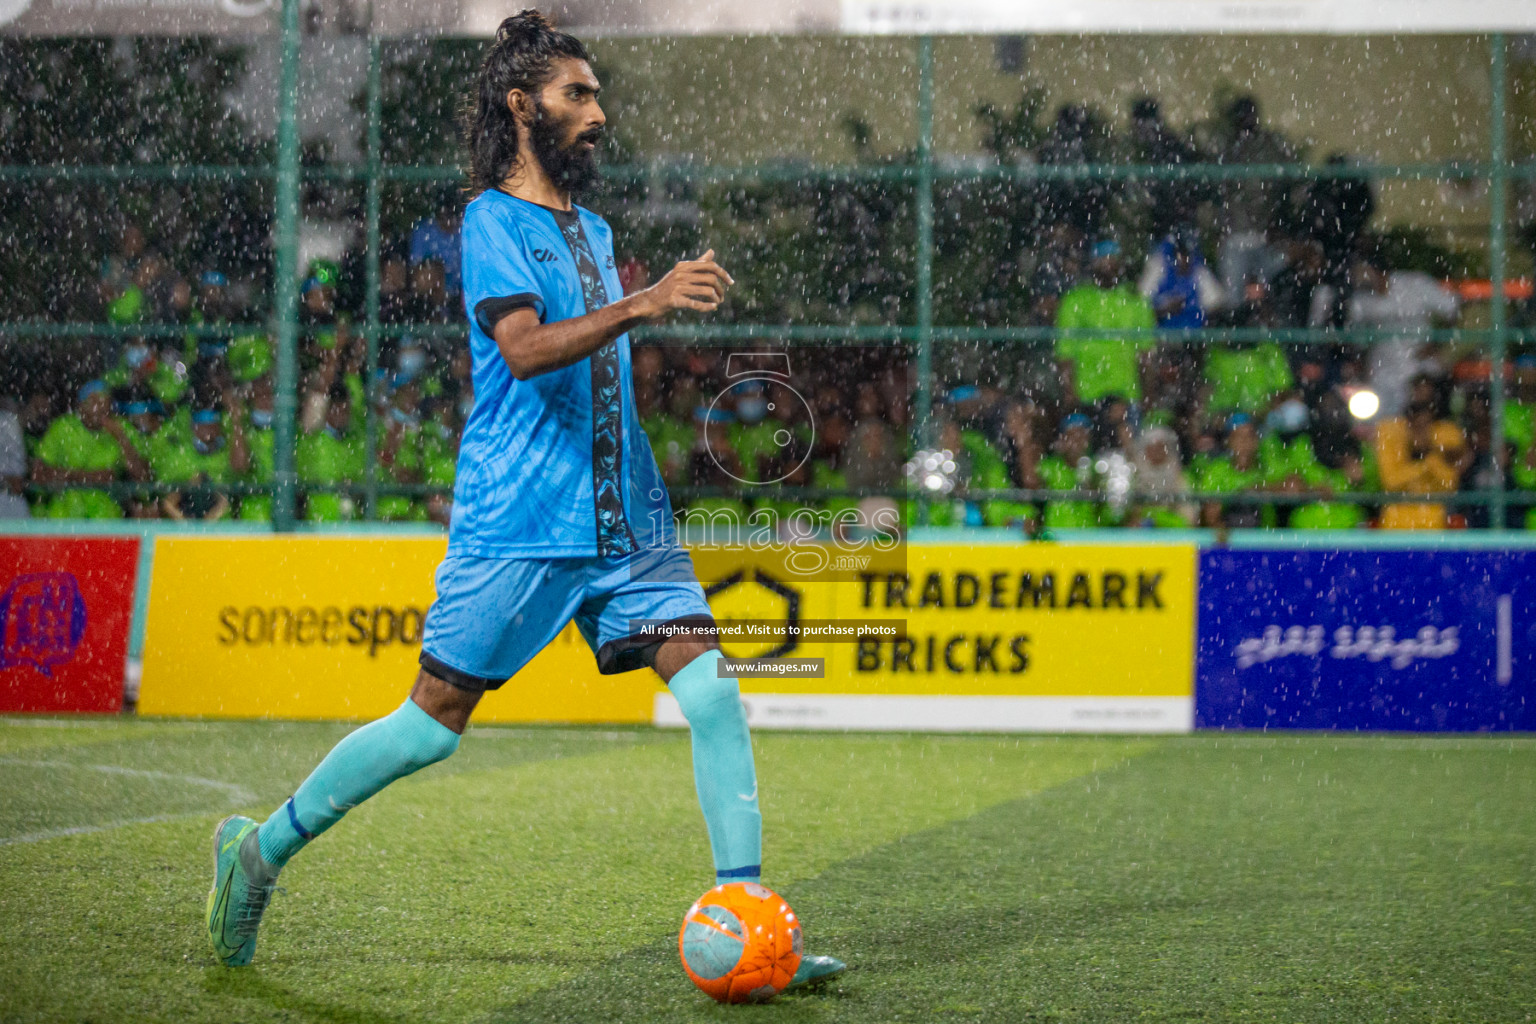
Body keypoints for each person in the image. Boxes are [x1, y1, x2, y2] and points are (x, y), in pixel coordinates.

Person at [205, 11, 845, 989]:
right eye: (577, 95)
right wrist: (642, 303)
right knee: (429, 725)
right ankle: (258, 851)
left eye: (596, 94)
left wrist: (641, 316)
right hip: (521, 522)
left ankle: (758, 929)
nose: (598, 111)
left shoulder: (594, 227)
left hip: (627, 526)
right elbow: (526, 350)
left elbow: (596, 357)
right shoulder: (490, 220)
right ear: (523, 105)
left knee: (715, 693)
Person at [1055, 239, 1157, 407]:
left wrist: (1147, 395)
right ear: (1092, 263)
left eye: (1113, 259)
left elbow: (1146, 353)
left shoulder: (1136, 301)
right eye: (1103, 259)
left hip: (1127, 394)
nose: (1108, 264)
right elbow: (1065, 354)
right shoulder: (1074, 300)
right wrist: (1070, 393)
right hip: (1086, 395)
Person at [31, 380, 148, 519]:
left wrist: (121, 437)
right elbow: (38, 475)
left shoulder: (122, 428)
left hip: (105, 520)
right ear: (80, 406)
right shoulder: (63, 427)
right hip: (63, 518)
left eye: (106, 401)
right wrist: (90, 477)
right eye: (94, 401)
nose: (101, 407)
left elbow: (142, 477)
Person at [1375, 397, 1469, 529]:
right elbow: (1390, 482)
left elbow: (1450, 485)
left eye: (1426, 426)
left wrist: (1429, 460)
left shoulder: (1436, 456)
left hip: (1432, 527)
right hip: (1396, 527)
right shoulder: (1397, 449)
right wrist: (1424, 467)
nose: (1422, 432)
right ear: (1408, 426)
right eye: (1417, 426)